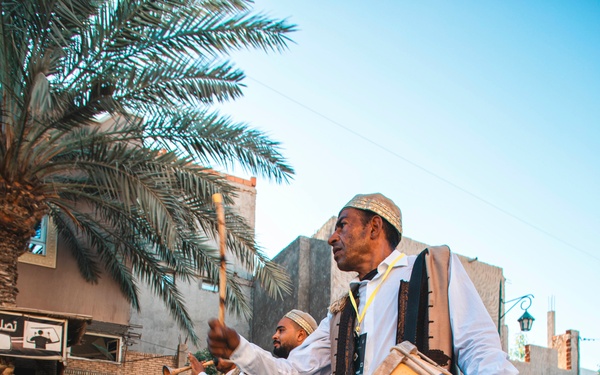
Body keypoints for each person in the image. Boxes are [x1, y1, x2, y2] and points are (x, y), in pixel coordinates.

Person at [207, 193, 519, 374]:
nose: (332, 237)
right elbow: (293, 371)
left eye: (342, 225)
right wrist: (239, 349)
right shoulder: (341, 312)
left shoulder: (432, 270)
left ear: (374, 227)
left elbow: (481, 350)